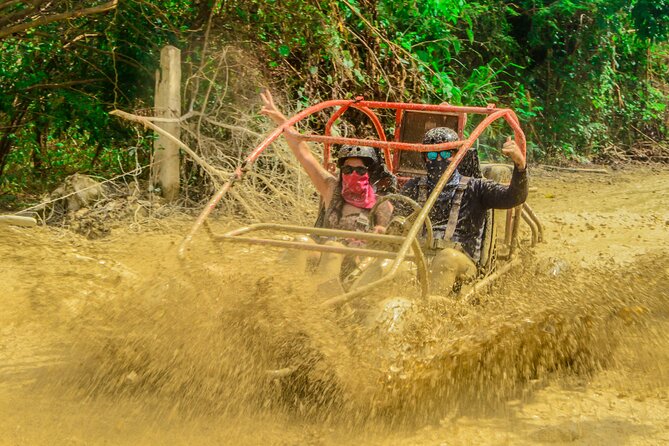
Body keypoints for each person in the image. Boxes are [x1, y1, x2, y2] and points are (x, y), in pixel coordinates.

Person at [400, 127, 528, 294]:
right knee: (387, 261)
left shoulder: (476, 187)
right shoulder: (414, 187)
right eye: (432, 155)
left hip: (461, 263)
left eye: (446, 154)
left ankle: (426, 313)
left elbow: (514, 197)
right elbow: (396, 221)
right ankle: (359, 306)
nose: (439, 159)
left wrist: (520, 165)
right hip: (419, 258)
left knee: (447, 258)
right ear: (425, 158)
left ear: (457, 156)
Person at [260, 90, 393, 234]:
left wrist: (379, 231)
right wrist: (279, 118)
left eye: (360, 171)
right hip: (328, 251)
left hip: (360, 254)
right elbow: (303, 154)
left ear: (369, 173)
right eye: (348, 170)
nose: (353, 175)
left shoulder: (381, 204)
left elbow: (386, 239)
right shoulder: (331, 189)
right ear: (341, 171)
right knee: (302, 242)